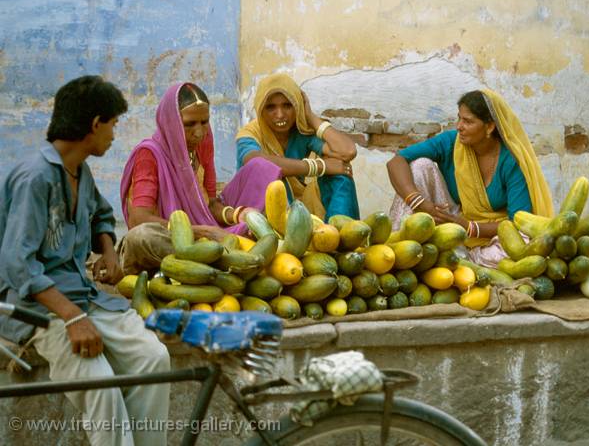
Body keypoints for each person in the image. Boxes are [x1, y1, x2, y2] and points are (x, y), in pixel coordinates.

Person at [0, 76, 170, 445]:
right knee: (102, 388)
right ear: (95, 124)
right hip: (39, 309)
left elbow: (101, 216)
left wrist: (109, 252)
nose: (113, 134)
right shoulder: (35, 178)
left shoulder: (82, 172)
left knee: (153, 359)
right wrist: (73, 318)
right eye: (113, 124)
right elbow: (17, 264)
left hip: (84, 297)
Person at [119, 83, 282, 275]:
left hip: (207, 230)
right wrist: (203, 232)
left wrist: (238, 215)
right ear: (170, 123)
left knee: (261, 169)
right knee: (141, 237)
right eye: (189, 124)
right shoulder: (149, 154)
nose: (199, 132)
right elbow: (139, 219)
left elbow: (210, 204)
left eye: (204, 122)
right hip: (171, 237)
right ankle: (224, 261)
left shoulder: (202, 142)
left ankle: (217, 259)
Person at [386, 89, 553, 268]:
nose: (459, 126)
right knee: (419, 166)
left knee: (523, 244)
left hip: (491, 234)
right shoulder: (451, 142)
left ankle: (459, 261)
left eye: (468, 121)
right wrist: (419, 202)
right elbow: (396, 161)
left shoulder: (510, 161)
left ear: (489, 127)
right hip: (451, 219)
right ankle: (401, 253)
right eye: (459, 118)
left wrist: (469, 227)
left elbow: (518, 221)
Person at [235, 73, 360, 220]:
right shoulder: (249, 134)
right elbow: (256, 163)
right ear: (260, 109)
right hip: (257, 210)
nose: (280, 114)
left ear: (297, 106)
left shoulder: (301, 130)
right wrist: (319, 166)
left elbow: (347, 151)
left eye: (287, 105)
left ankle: (340, 232)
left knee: (339, 176)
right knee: (275, 178)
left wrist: (311, 117)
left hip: (298, 206)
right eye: (270, 107)